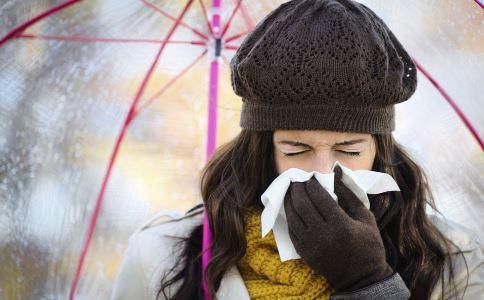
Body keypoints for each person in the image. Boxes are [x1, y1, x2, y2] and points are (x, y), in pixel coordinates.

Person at [110, 0, 484, 299]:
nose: (323, 173)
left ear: (380, 150)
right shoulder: (162, 257)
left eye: (350, 150)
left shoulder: (453, 261)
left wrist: (369, 283)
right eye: (295, 149)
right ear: (261, 150)